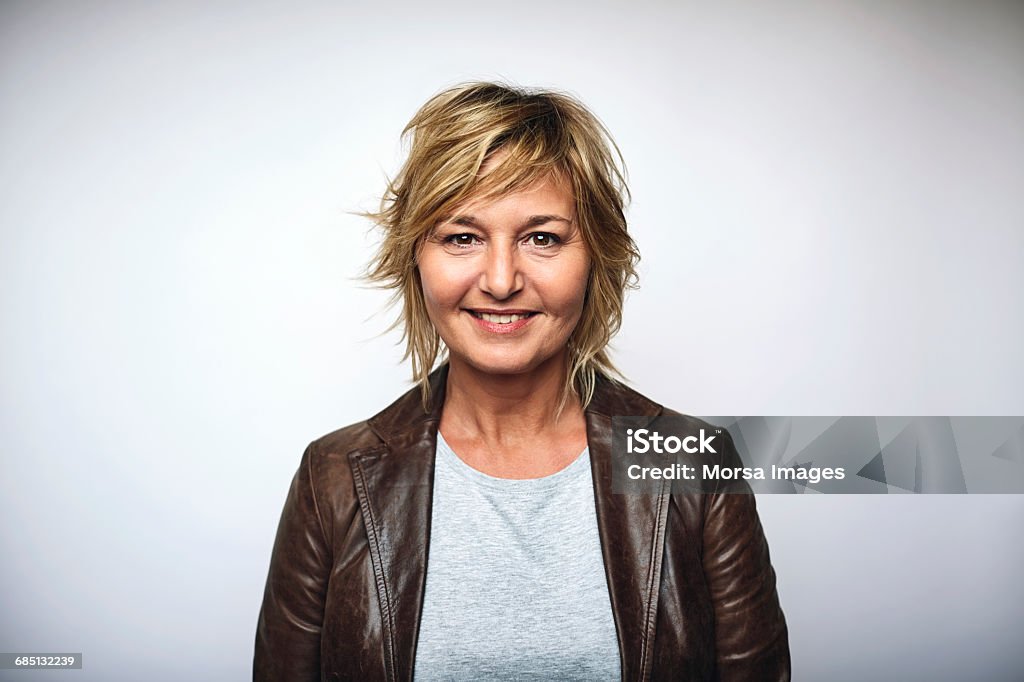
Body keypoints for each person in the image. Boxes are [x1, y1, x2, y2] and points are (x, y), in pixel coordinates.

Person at [254, 82, 790, 681]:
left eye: (543, 238)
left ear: (596, 259)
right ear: (416, 259)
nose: (502, 279)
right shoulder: (332, 477)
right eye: (462, 237)